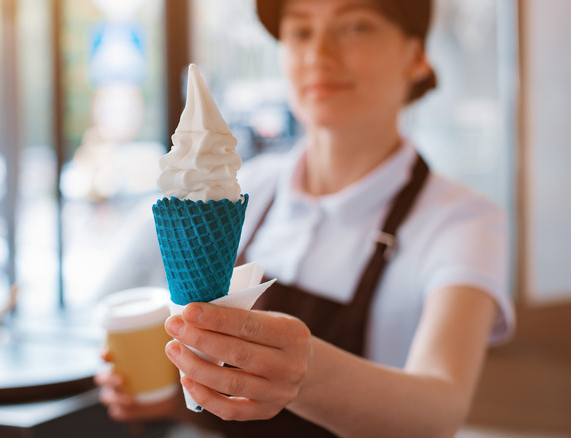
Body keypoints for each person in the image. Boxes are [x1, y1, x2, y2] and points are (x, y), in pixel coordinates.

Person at [95, 0, 515, 436]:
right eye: (300, 32)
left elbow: (440, 412)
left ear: (416, 56)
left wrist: (307, 371)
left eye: (355, 27)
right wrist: (182, 389)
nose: (318, 55)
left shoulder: (464, 221)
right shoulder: (238, 192)